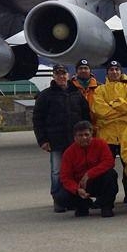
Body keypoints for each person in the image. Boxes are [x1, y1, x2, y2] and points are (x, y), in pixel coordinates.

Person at [33, 63, 91, 212]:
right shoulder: (45, 95)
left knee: (78, 169)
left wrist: (88, 135)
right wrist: (42, 140)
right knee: (57, 171)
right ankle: (58, 199)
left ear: (68, 74)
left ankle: (75, 198)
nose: (61, 76)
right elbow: (38, 119)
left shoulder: (76, 94)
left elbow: (86, 116)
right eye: (58, 74)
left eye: (63, 73)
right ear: (53, 76)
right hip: (56, 141)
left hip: (76, 142)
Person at [54, 120, 118, 217]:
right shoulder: (68, 152)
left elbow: (109, 162)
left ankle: (106, 206)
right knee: (60, 197)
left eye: (86, 134)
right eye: (80, 135)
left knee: (111, 174)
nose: (84, 138)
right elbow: (65, 177)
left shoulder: (101, 144)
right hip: (79, 185)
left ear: (91, 134)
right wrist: (76, 189)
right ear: (74, 137)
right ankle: (83, 205)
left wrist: (89, 174)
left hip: (97, 181)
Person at [92, 60, 127, 157]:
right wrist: (123, 111)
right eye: (111, 69)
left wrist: (112, 104)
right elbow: (100, 110)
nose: (114, 72)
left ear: (121, 72)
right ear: (107, 72)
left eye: (117, 69)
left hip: (126, 134)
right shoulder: (99, 90)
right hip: (106, 135)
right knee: (106, 168)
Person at [69, 59, 100, 128]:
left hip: (96, 126)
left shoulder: (99, 87)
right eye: (80, 68)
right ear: (76, 71)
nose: (83, 70)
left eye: (86, 68)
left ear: (90, 71)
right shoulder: (70, 87)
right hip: (76, 127)